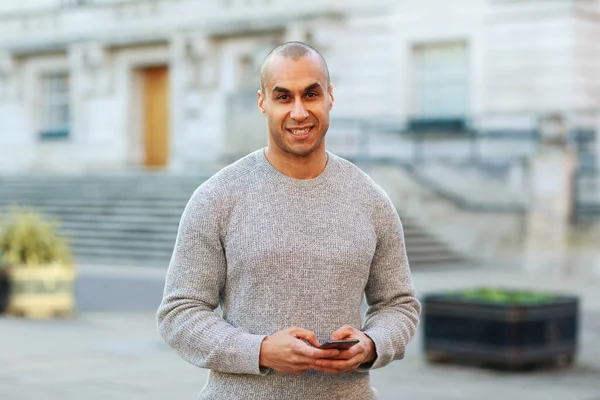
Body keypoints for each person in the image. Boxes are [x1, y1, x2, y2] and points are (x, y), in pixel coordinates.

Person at [156, 41, 421, 399]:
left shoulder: (370, 199)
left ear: (329, 97)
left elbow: (398, 305)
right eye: (284, 97)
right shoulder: (217, 197)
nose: (299, 112)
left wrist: (372, 344)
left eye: (311, 95)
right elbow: (179, 313)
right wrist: (260, 350)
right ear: (263, 102)